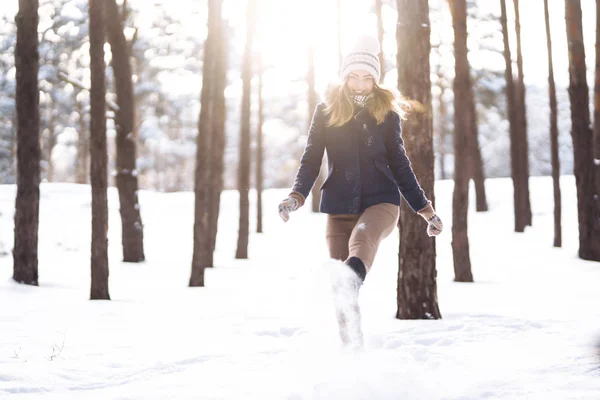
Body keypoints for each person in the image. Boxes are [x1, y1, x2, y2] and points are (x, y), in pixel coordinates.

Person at [278, 35, 443, 347]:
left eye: (367, 78)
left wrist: (426, 210)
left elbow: (400, 163)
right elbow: (311, 158)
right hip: (338, 205)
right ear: (344, 77)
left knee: (362, 240)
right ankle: (352, 356)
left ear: (375, 80)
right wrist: (296, 197)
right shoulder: (326, 112)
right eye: (353, 76)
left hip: (382, 202)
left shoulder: (386, 114)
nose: (359, 84)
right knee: (342, 289)